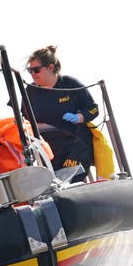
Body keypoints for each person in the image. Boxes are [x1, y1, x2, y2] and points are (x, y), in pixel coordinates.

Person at [23, 45, 100, 181]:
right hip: (49, 150)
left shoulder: (70, 84)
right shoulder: (30, 91)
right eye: (30, 71)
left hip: (76, 145)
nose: (33, 74)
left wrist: (79, 117)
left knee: (70, 181)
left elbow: (93, 109)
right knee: (52, 186)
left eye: (36, 70)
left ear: (50, 67)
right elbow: (23, 120)